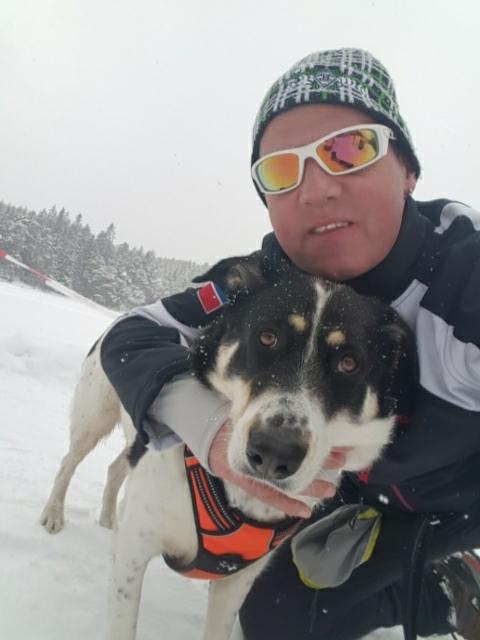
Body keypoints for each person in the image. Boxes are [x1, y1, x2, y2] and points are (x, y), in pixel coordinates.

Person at [100, 48, 480, 639]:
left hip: (454, 507)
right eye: (282, 171)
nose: (316, 188)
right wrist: (213, 430)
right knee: (272, 617)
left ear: (408, 170)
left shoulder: (463, 283)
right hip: (348, 493)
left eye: (350, 150)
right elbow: (132, 335)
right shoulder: (265, 281)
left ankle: (451, 579)